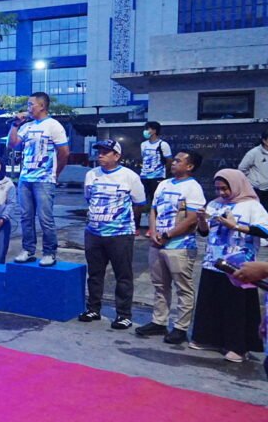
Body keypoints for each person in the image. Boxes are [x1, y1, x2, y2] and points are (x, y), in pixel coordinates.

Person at [191, 169, 268, 362]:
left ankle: (238, 346)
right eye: (218, 189)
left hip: (239, 265)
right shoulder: (214, 204)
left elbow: (264, 230)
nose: (221, 193)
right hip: (213, 261)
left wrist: (236, 227)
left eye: (225, 188)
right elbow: (204, 232)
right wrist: (201, 220)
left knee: (236, 306)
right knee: (211, 302)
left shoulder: (252, 206)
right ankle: (209, 338)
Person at [135, 151, 206, 344]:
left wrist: (168, 235)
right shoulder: (164, 184)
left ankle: (181, 327)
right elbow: (154, 210)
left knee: (183, 287)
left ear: (190, 166)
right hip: (157, 243)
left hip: (180, 245)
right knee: (160, 285)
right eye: (173, 160)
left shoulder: (193, 187)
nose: (173, 163)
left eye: (178, 161)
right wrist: (153, 232)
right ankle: (159, 321)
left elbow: (192, 218)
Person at [78, 140, 147, 328]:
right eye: (99, 151)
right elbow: (89, 198)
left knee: (123, 275)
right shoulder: (91, 175)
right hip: (94, 232)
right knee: (95, 273)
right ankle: (93, 308)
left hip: (120, 234)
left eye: (106, 152)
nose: (100, 155)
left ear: (117, 156)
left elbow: (139, 204)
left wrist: (124, 223)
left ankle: (123, 314)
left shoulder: (130, 177)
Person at [9, 92, 69, 266]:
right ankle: (28, 249)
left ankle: (50, 252)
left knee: (45, 218)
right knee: (26, 217)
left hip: (44, 179)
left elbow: (64, 152)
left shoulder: (53, 125)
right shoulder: (27, 126)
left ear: (42, 106)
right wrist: (15, 125)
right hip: (25, 178)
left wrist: (55, 173)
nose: (28, 108)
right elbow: (12, 144)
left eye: (31, 104)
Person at [136, 121, 172, 233]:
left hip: (157, 177)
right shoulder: (143, 145)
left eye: (148, 129)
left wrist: (162, 172)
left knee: (154, 202)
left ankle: (152, 228)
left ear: (154, 131)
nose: (146, 131)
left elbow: (169, 160)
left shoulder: (163, 144)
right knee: (139, 201)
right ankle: (136, 227)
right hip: (144, 176)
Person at [238, 129, 268, 211]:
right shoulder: (253, 153)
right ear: (264, 141)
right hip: (258, 190)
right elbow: (242, 168)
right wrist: (253, 181)